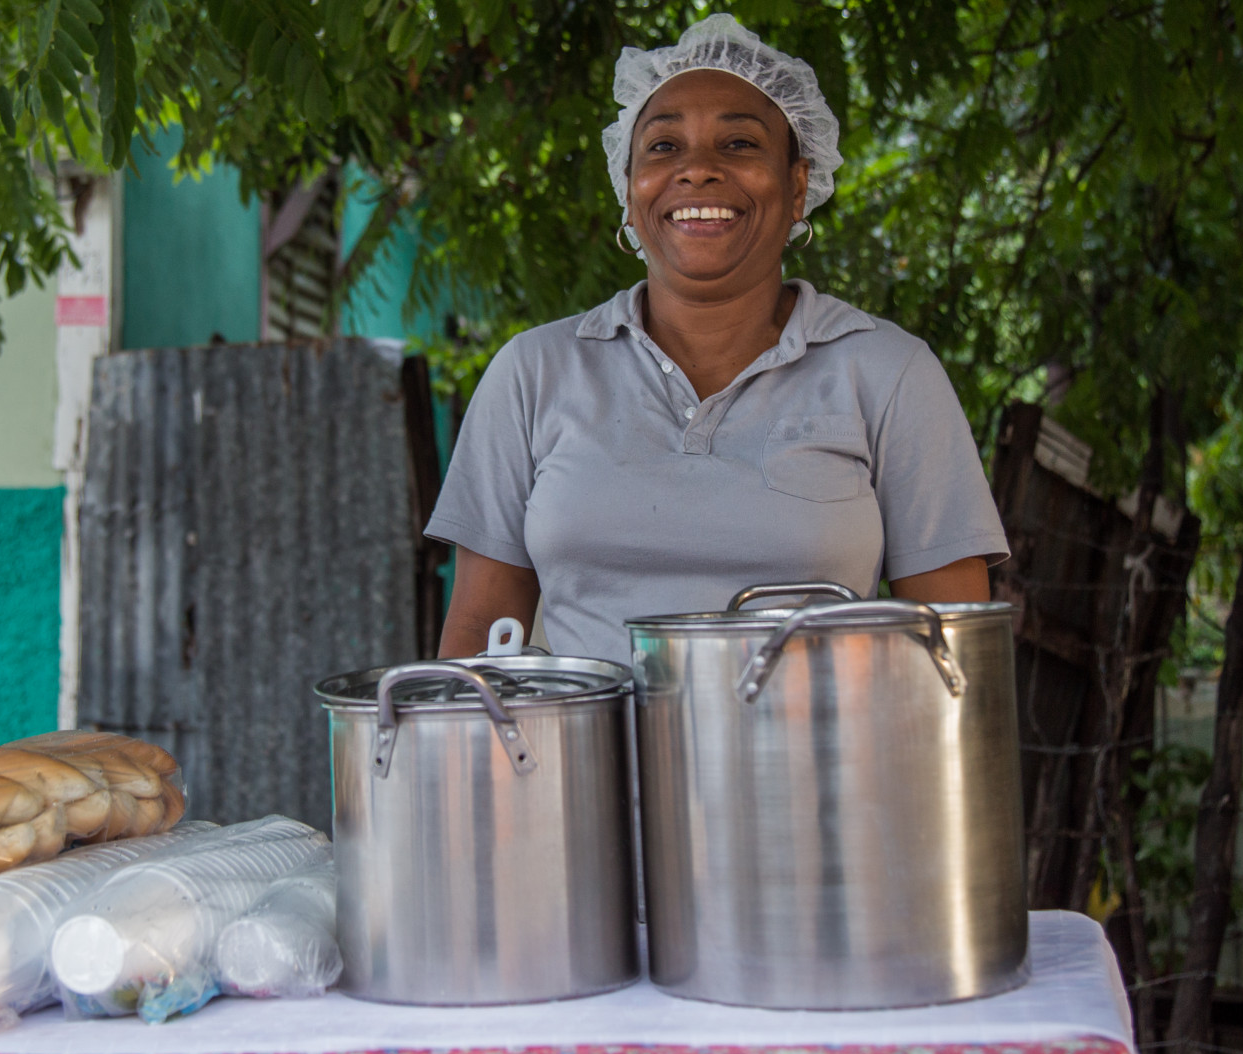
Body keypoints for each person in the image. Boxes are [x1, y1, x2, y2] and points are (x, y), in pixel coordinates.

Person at [425, 14, 1009, 662]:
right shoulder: (533, 374)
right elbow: (478, 639)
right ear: (628, 189)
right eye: (663, 146)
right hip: (584, 735)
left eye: (739, 143)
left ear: (797, 186)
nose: (698, 169)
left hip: (815, 733)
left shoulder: (888, 374)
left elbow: (956, 655)